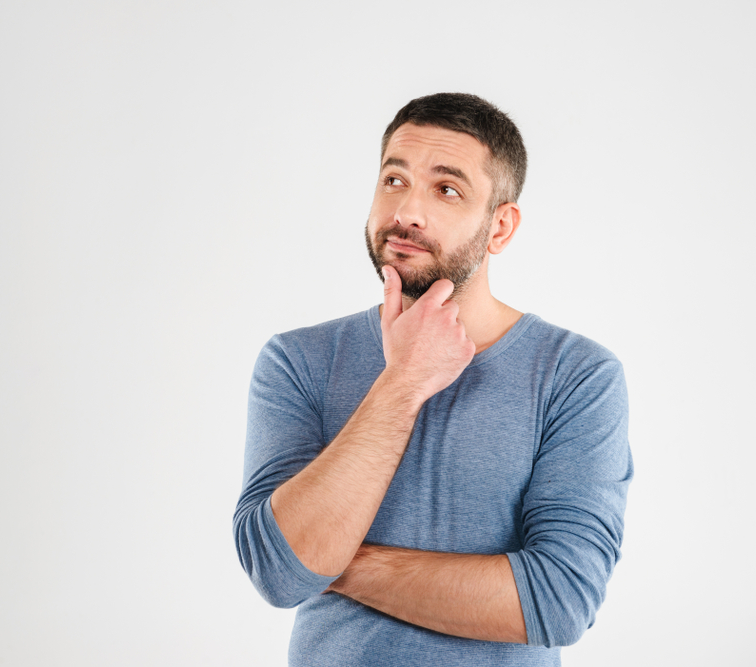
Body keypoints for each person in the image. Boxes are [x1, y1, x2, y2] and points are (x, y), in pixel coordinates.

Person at [233, 92, 633, 666]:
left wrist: (330, 561)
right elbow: (276, 574)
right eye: (393, 180)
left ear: (500, 226)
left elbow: (558, 600)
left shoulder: (576, 376)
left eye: (446, 189)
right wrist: (403, 383)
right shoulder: (298, 361)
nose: (407, 212)